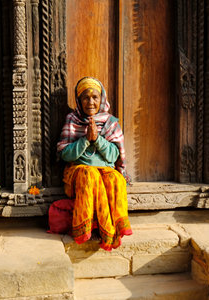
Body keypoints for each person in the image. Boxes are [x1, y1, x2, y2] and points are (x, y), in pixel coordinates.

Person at [57, 77, 132, 251]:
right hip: (78, 170)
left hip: (105, 169)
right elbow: (65, 155)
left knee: (116, 180)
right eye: (85, 97)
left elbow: (114, 156)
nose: (90, 102)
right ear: (79, 100)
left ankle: (113, 230)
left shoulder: (110, 122)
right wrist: (85, 140)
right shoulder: (72, 119)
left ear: (102, 99)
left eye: (95, 97)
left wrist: (97, 139)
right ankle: (84, 228)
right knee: (90, 175)